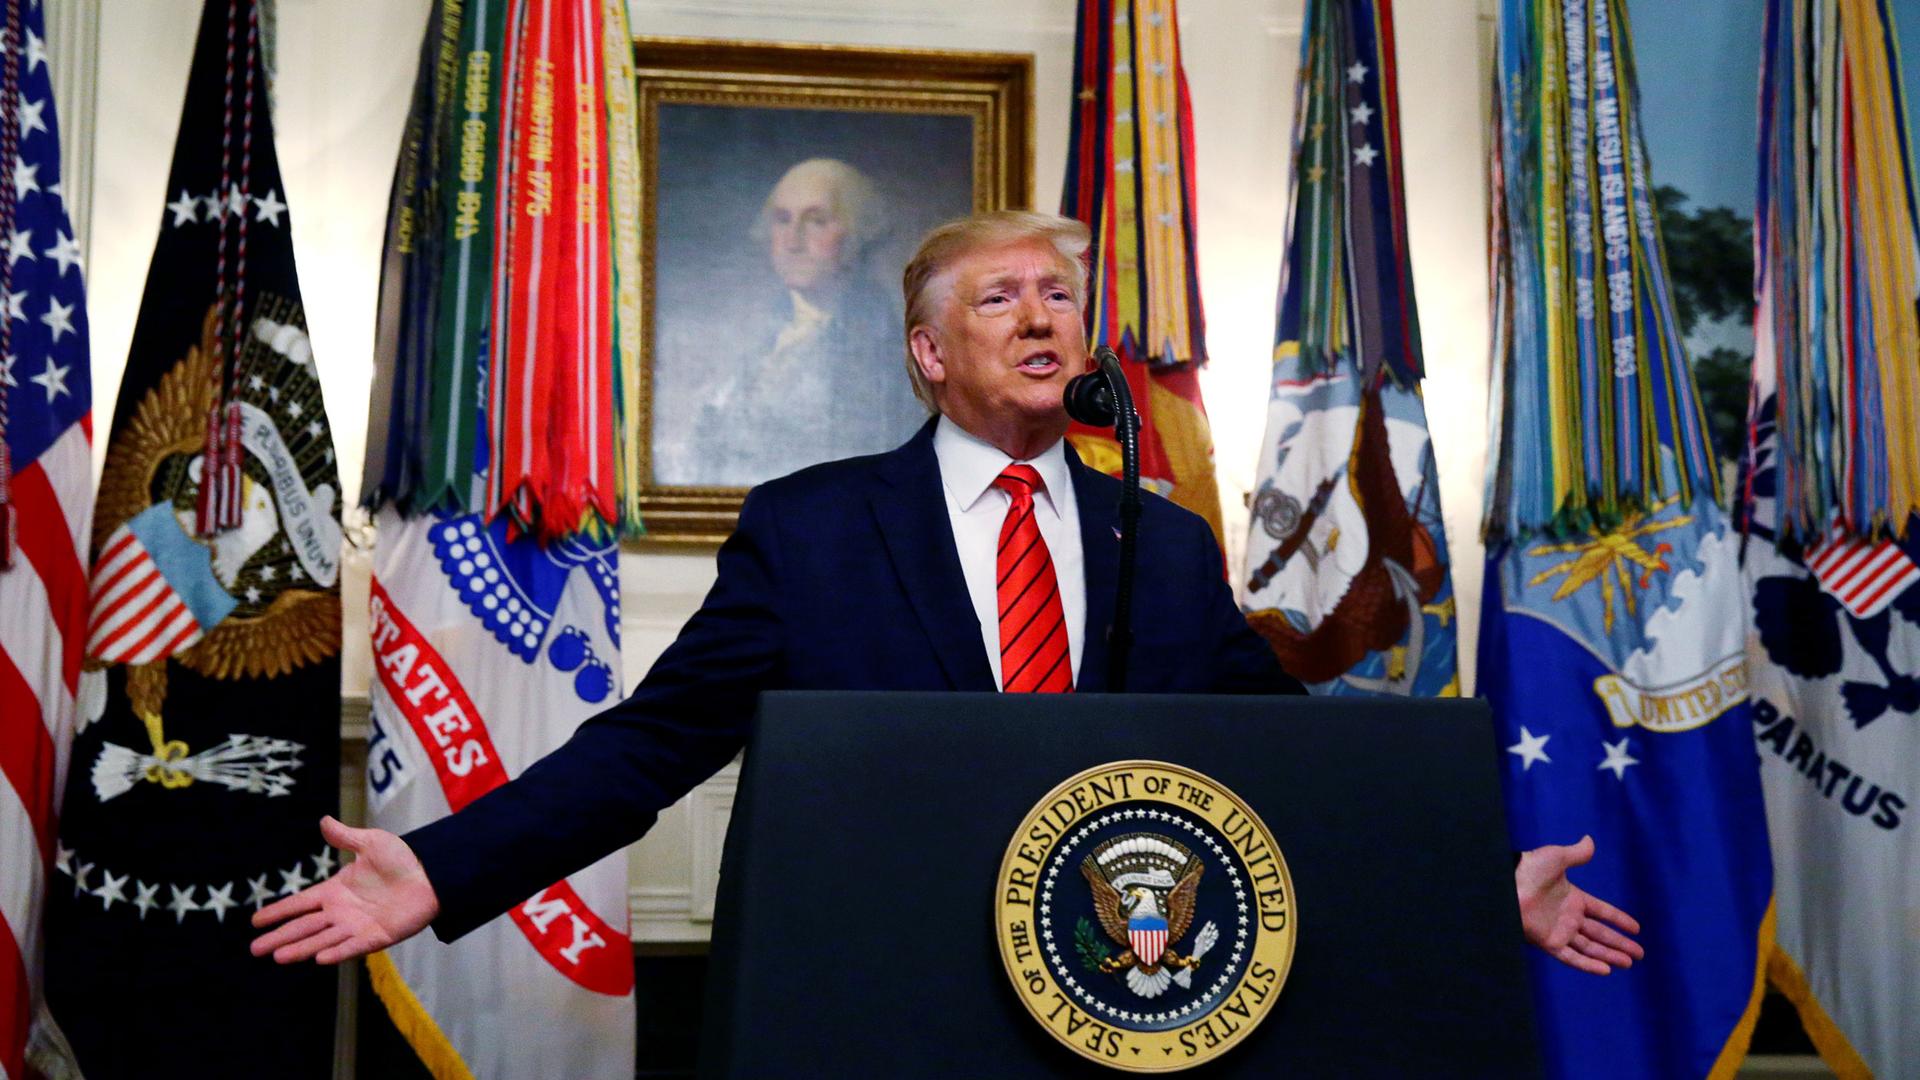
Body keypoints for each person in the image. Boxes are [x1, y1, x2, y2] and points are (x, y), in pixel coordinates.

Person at [252, 211, 1643, 978]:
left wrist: (1470, 879)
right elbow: (655, 743)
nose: (1042, 317)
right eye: (998, 301)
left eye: (1056, 296)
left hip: (1119, 985)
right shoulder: (813, 530)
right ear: (925, 353)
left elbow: (1271, 765)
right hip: (874, 986)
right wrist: (443, 864)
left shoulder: (1157, 539)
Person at [662, 157, 923, 486]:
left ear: (856, 235)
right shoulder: (761, 335)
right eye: (782, 220)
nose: (793, 241)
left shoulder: (884, 347)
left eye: (816, 221)